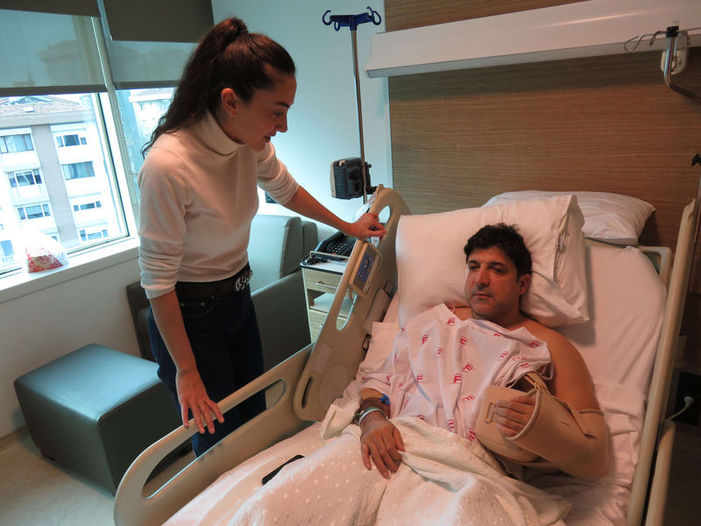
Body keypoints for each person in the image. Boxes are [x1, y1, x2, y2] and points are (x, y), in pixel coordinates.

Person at [138, 17, 386, 456]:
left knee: (254, 420)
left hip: (237, 300)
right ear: (231, 101)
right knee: (218, 442)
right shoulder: (168, 166)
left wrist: (348, 226)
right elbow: (158, 284)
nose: (283, 126)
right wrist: (186, 371)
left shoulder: (249, 145)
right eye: (276, 111)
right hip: (190, 320)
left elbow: (287, 190)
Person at [358, 223, 608, 479]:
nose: (480, 280)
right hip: (386, 447)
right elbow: (379, 384)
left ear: (522, 284)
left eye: (497, 269)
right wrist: (371, 417)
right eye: (474, 267)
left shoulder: (547, 344)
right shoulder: (433, 321)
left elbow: (595, 457)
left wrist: (542, 429)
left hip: (468, 473)